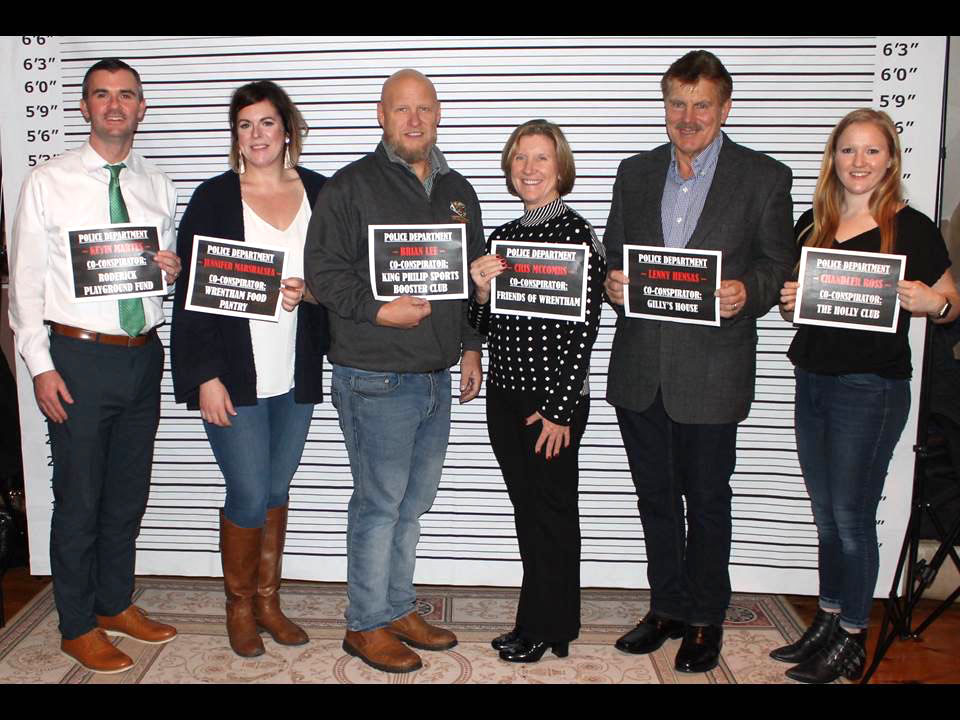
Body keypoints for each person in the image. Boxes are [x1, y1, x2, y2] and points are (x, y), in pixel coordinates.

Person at [603, 50, 795, 673]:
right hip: (640, 369)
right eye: (677, 104)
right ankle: (667, 607)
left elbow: (777, 265)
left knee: (708, 500)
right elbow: (613, 252)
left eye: (701, 105)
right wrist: (612, 282)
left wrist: (750, 292)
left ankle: (707, 616)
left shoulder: (764, 177)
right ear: (665, 108)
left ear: (725, 108)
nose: (688, 117)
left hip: (712, 374)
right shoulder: (633, 173)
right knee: (654, 498)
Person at [304, 69, 484, 674]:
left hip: (435, 374)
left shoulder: (458, 190)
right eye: (402, 109)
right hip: (375, 374)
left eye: (425, 110)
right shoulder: (349, 187)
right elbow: (325, 274)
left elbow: (467, 283)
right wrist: (380, 309)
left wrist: (469, 346)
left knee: (413, 503)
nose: (414, 120)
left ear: (438, 116)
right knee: (379, 504)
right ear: (381, 115)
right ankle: (365, 624)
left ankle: (399, 606)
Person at [8, 58, 181, 673]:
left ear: (141, 108)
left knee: (128, 494)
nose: (114, 105)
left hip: (142, 356)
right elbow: (25, 283)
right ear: (83, 108)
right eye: (101, 95)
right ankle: (76, 622)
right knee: (79, 498)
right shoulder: (47, 181)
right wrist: (40, 364)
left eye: (126, 96)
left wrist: (171, 268)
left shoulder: (157, 184)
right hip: (77, 358)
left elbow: (161, 266)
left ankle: (114, 603)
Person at [774, 108, 959, 683]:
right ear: (834, 158)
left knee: (852, 519)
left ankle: (853, 632)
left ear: (890, 160)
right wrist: (788, 300)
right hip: (813, 379)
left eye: (871, 151)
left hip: (871, 389)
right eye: (848, 150)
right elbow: (793, 305)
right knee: (827, 518)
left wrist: (934, 303)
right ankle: (829, 619)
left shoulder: (914, 227)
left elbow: (951, 298)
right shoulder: (812, 224)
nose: (859, 162)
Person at [170, 81, 328, 658]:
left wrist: (311, 291)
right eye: (245, 125)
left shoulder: (321, 191)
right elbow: (190, 295)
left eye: (267, 123)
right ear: (235, 136)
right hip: (233, 375)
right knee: (248, 489)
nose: (257, 135)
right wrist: (204, 375)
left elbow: (340, 278)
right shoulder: (213, 197)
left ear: (288, 129)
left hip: (294, 370)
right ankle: (239, 606)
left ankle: (268, 600)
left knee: (277, 488)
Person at [468, 120, 605, 663]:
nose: (529, 168)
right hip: (505, 396)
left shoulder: (578, 236)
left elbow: (585, 331)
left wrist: (560, 408)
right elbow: (482, 321)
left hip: (553, 403)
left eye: (541, 158)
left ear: (560, 167)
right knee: (530, 513)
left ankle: (548, 625)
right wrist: (479, 288)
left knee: (552, 513)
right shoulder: (500, 237)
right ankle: (542, 619)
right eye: (520, 158)